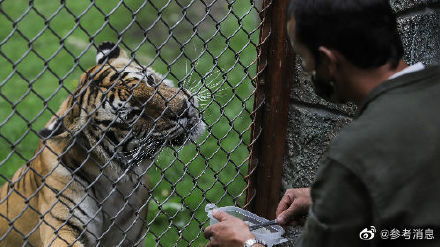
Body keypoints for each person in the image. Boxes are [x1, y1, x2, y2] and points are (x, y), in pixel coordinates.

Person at [204, 0, 440, 246]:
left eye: (305, 60)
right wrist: (335, 200)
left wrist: (246, 243)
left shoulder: (356, 150)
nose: (307, 71)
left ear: (328, 61)